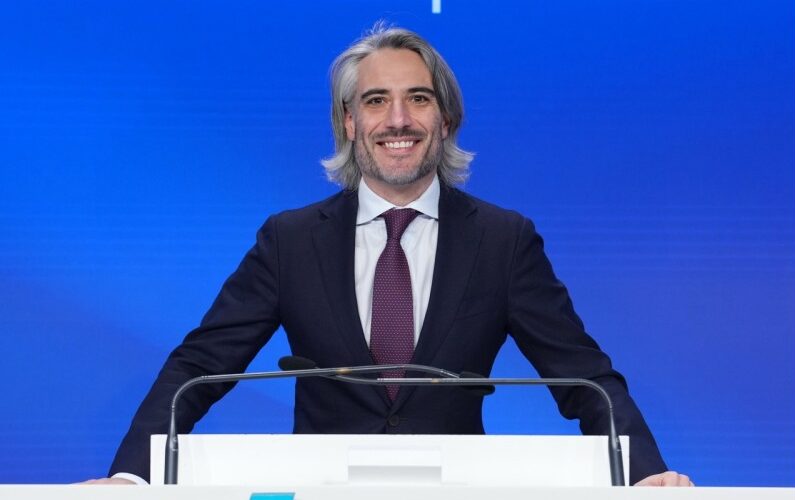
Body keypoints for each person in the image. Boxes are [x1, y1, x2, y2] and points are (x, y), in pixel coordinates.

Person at [84, 25, 692, 487]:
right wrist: (132, 478)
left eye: (418, 99)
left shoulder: (503, 240)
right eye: (375, 101)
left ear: (446, 119)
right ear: (348, 122)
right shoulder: (290, 240)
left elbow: (586, 379)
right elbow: (197, 367)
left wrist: (646, 477)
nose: (397, 120)